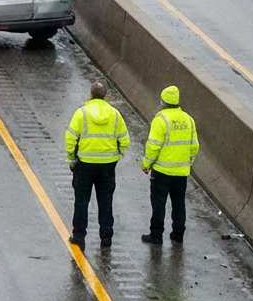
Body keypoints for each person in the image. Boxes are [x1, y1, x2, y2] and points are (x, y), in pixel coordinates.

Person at [65, 81, 130, 250]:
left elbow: (70, 138)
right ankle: (106, 239)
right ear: (106, 96)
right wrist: (117, 156)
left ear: (91, 95)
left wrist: (72, 158)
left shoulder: (81, 113)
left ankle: (79, 236)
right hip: (107, 166)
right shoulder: (115, 114)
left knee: (81, 202)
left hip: (84, 166)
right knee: (106, 202)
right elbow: (124, 140)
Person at [142, 85, 199, 246]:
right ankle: (178, 235)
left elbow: (153, 146)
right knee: (179, 204)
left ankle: (156, 235)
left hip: (162, 171)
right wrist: (187, 163)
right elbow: (194, 146)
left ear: (163, 102)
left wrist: (146, 164)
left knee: (159, 204)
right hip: (181, 173)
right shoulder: (188, 120)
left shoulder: (161, 120)